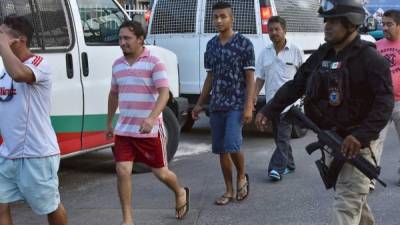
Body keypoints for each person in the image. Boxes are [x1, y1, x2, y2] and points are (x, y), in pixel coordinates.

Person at [255, 0, 393, 224]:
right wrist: (270, 108)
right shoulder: (324, 55)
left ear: (351, 24)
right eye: (326, 20)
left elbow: (384, 103)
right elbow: (297, 84)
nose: (327, 26)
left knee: (346, 205)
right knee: (352, 199)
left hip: (357, 146)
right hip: (331, 140)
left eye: (334, 21)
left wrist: (360, 136)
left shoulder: (370, 59)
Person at [106, 21, 189, 225]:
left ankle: (179, 192)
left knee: (160, 172)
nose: (122, 42)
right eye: (120, 38)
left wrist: (152, 118)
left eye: (127, 38)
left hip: (150, 132)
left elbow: (164, 93)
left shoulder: (154, 62)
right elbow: (113, 94)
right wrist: (109, 121)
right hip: (125, 130)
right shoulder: (117, 64)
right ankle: (128, 219)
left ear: (140, 40)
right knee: (122, 171)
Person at [0, 16, 67, 225]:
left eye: (2, 34)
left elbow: (20, 74)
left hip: (37, 154)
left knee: (50, 206)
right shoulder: (3, 72)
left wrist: (2, 45)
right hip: (9, 154)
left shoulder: (40, 64)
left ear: (19, 40)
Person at [192, 1, 254, 205]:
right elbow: (210, 77)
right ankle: (228, 189)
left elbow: (250, 78)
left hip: (236, 103)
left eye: (223, 16)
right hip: (217, 104)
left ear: (232, 18)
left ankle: (242, 176)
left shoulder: (245, 44)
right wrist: (200, 103)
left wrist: (248, 106)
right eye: (215, 17)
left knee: (232, 144)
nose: (218, 20)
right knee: (221, 149)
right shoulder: (211, 45)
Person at [253, 16, 304, 181]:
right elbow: (260, 78)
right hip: (271, 104)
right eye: (271, 30)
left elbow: (304, 77)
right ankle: (290, 164)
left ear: (284, 30)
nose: (274, 33)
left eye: (277, 29)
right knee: (279, 136)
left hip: (290, 105)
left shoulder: (295, 51)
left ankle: (276, 168)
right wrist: (253, 96)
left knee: (282, 135)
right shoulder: (265, 53)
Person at [374, 9, 400, 187]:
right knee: (374, 142)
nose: (384, 27)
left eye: (389, 24)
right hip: (381, 103)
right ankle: (369, 178)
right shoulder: (377, 46)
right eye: (382, 24)